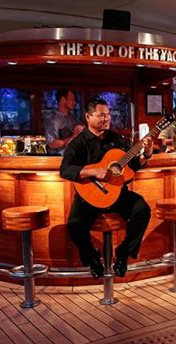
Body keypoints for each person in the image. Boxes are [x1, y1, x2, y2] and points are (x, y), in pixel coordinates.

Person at [60, 98, 152, 279]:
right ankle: (93, 258)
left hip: (116, 194)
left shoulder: (116, 138)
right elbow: (65, 170)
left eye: (108, 115)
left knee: (142, 209)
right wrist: (94, 171)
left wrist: (146, 155)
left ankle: (124, 253)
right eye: (101, 115)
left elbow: (132, 165)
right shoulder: (78, 143)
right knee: (74, 225)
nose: (106, 118)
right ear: (88, 116)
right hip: (89, 196)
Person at [44, 88, 84, 155]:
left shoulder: (73, 118)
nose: (74, 102)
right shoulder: (52, 120)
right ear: (63, 99)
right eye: (72, 99)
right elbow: (51, 144)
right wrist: (72, 138)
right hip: (59, 160)